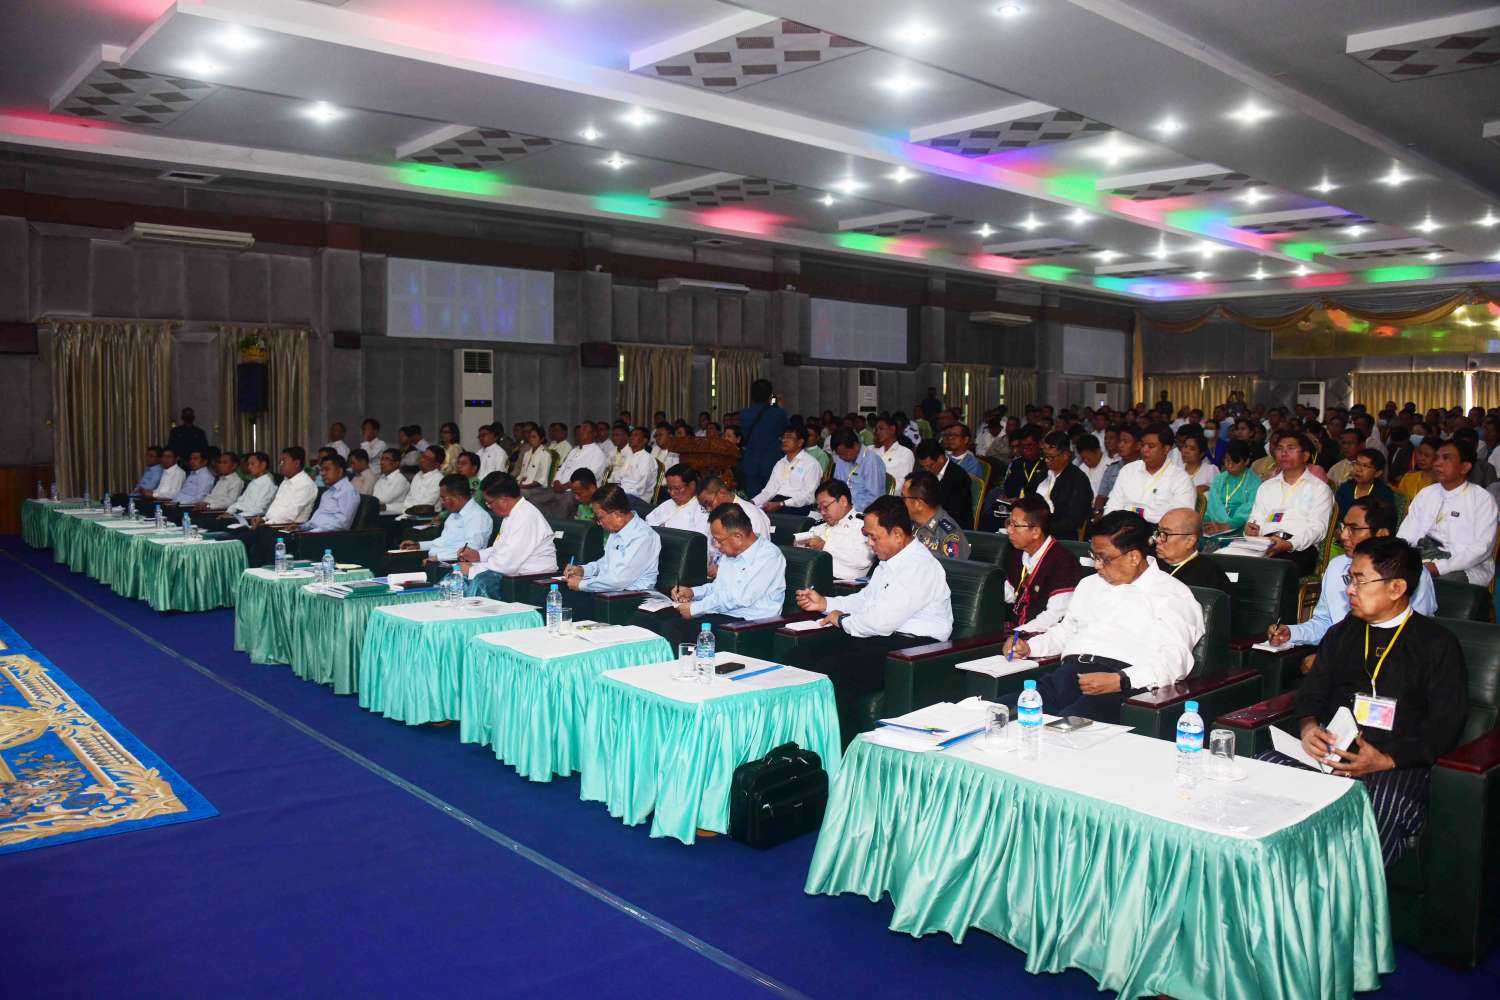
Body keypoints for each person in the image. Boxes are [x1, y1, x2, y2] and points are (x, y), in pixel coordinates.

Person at [1258, 537, 1467, 866]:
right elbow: (1312, 692)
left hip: (1396, 764)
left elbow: (1445, 725)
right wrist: (1309, 727)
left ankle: (1346, 891)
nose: (1349, 590)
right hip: (1333, 753)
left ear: (1396, 588)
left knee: (1376, 805)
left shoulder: (1437, 644)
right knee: (1262, 770)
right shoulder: (1343, 633)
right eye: (1350, 579)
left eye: (1359, 580)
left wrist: (1387, 760)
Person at [1005, 511, 1205, 723]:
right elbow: (1067, 630)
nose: (1097, 565)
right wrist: (1030, 647)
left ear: (1134, 557)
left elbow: (1175, 659)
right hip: (1067, 676)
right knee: (997, 715)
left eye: (1103, 558)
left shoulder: (1172, 594)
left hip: (1118, 687)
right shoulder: (1090, 584)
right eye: (1094, 556)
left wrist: (1122, 680)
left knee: (1056, 732)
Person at [791, 496, 953, 742]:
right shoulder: (890, 561)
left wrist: (842, 620)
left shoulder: (919, 567)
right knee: (799, 655)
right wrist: (825, 604)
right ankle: (801, 739)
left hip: (913, 649)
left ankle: (842, 748)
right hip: (881, 638)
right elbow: (866, 600)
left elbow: (880, 622)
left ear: (897, 534)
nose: (869, 543)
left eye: (873, 537)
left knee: (833, 670)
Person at [1268, 498, 1437, 675]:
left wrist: (1335, 661)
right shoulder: (1336, 566)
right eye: (1343, 527)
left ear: (1382, 534)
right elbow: (1325, 622)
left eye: (1354, 529)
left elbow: (1414, 638)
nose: (1343, 535)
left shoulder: (1411, 572)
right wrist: (1292, 633)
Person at [653, 503, 787, 646]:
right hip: (723, 615)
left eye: (718, 540)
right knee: (660, 619)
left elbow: (737, 598)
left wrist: (695, 608)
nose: (716, 545)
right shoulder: (731, 552)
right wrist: (693, 592)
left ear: (738, 536)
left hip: (749, 624)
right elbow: (718, 588)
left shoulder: (768, 556)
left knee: (675, 628)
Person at [1397, 439, 1498, 586]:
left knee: (1433, 582)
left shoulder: (1482, 499)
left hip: (1463, 567)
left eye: (1446, 458)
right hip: (1420, 557)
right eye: (1437, 457)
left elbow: (1481, 548)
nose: (1437, 463)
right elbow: (1406, 533)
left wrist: (1439, 567)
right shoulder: (1426, 493)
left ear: (1464, 467)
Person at [456, 472, 560, 597]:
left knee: (478, 582)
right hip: (514, 574)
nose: (489, 507)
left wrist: (472, 569)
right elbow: (501, 549)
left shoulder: (525, 517)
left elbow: (506, 564)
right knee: (456, 578)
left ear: (504, 500)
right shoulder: (512, 514)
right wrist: (478, 555)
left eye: (489, 503)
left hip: (532, 580)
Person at [1245, 431, 1334, 575]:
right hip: (1264, 544)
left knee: (1270, 572)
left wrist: (1289, 544)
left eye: (1291, 448)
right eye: (1280, 448)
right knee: (1227, 563)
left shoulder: (1319, 489)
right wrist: (1251, 529)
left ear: (1305, 455)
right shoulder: (1266, 487)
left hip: (1299, 549)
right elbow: (1256, 517)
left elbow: (1317, 528)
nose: (1284, 453)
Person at [1003, 496, 1085, 635]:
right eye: (1009, 523)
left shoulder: (1063, 561)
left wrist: (1018, 634)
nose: (1009, 530)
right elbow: (1011, 593)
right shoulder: (1019, 552)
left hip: (1041, 635)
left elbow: (1054, 616)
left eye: (1015, 525)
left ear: (1036, 532)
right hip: (1016, 629)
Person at [562, 485, 661, 599]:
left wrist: (581, 584)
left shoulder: (644, 537)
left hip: (632, 598)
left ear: (617, 515)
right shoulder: (617, 530)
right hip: (609, 594)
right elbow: (605, 564)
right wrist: (583, 570)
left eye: (600, 517)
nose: (599, 523)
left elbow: (618, 580)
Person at [1104, 423, 1195, 525]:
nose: (1144, 450)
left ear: (1166, 449)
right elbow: (1113, 505)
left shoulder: (1180, 479)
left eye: (1151, 446)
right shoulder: (1128, 470)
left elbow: (1181, 519)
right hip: (1123, 527)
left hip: (1159, 530)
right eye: (1143, 445)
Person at [398, 474, 493, 563]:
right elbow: (444, 542)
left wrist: (438, 558)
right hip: (436, 561)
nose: (442, 503)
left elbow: (471, 551)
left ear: (457, 498)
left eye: (444, 498)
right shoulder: (454, 515)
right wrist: (419, 545)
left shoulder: (478, 517)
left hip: (453, 565)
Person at [797, 480, 873, 582]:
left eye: (825, 506)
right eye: (819, 508)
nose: (822, 512)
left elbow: (863, 560)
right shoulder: (820, 525)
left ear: (843, 501)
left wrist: (825, 546)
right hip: (811, 577)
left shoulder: (863, 524)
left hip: (842, 584)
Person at [533, 422, 608, 519]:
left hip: (576, 493)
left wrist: (565, 487)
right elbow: (561, 469)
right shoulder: (574, 451)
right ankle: (550, 522)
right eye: (580, 428)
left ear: (594, 434)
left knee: (563, 502)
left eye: (584, 429)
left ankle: (557, 525)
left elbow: (587, 479)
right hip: (559, 488)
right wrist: (556, 482)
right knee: (533, 500)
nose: (580, 431)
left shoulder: (598, 454)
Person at [1152, 508, 1233, 594]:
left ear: (1189, 541)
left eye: (1165, 534)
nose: (1157, 540)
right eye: (1158, 533)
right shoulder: (1151, 564)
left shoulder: (1208, 577)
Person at [738, 378, 790, 499]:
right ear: (770, 395)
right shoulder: (779, 413)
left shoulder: (744, 414)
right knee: (771, 500)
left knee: (754, 500)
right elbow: (786, 432)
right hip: (772, 462)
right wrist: (779, 406)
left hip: (751, 462)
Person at [902, 471, 970, 560]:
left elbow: (953, 568)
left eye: (903, 498)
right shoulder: (906, 524)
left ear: (918, 504)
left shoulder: (948, 536)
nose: (901, 502)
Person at [1036, 431, 1092, 540]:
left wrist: (1043, 528)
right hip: (1036, 527)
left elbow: (1073, 519)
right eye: (1044, 456)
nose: (1046, 461)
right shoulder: (1042, 472)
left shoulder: (1078, 479)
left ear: (1065, 455)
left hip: (1061, 535)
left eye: (1051, 457)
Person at [753, 427, 821, 514]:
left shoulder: (810, 463)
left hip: (797, 507)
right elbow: (769, 490)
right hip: (776, 503)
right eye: (783, 437)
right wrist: (752, 502)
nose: (784, 440)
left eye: (789, 437)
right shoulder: (780, 463)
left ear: (800, 442)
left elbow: (809, 496)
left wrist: (782, 504)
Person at [913, 439, 974, 530]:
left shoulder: (959, 477)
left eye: (930, 466)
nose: (926, 470)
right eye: (923, 466)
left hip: (954, 527)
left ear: (941, 459)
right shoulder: (923, 473)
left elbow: (954, 513)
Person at [253, 448, 318, 528]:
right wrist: (263, 519)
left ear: (296, 463)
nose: (280, 464)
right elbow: (275, 508)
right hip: (271, 525)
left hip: (286, 529)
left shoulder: (306, 485)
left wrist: (265, 524)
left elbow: (287, 517)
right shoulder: (285, 481)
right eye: (280, 462)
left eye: (284, 461)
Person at [1202, 440, 1256, 535]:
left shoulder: (1254, 482)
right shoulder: (1219, 478)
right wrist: (1205, 522)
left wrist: (1227, 525)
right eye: (1227, 460)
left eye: (1235, 461)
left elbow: (1248, 510)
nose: (1230, 465)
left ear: (1246, 461)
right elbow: (1210, 507)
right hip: (1214, 523)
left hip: (1239, 527)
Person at [697, 476, 771, 544]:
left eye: (709, 503)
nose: (709, 509)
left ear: (722, 492)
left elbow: (760, 549)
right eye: (704, 507)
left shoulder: (751, 514)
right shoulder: (714, 517)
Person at [297, 454, 360, 534]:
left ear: (340, 471)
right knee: (284, 537)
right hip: (314, 533)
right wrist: (300, 527)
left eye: (326, 469)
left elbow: (342, 525)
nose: (322, 473)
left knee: (286, 540)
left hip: (330, 537)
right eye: (322, 470)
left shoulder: (348, 491)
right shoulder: (327, 493)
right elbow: (316, 521)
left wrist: (312, 532)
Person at [831, 428, 886, 514]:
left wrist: (849, 510)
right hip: (842, 508)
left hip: (865, 512)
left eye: (846, 453)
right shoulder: (841, 459)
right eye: (839, 454)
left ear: (856, 445)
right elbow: (836, 487)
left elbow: (873, 498)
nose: (842, 457)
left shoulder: (872, 461)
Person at [646, 464, 710, 537]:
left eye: (677, 488)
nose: (672, 493)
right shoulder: (668, 503)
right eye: (669, 488)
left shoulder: (702, 510)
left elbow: (698, 538)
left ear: (692, 485)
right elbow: (648, 522)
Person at [1334, 448, 1394, 519]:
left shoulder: (1383, 494)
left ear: (1377, 473)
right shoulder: (1345, 487)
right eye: (1357, 463)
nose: (1358, 469)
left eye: (1365, 466)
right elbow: (1335, 515)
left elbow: (1384, 521)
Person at [611, 426, 660, 511]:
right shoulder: (629, 456)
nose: (631, 438)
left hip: (639, 499)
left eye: (636, 435)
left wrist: (619, 492)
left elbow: (640, 488)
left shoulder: (647, 459)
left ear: (644, 440)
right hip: (623, 493)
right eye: (631, 435)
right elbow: (619, 477)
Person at [219, 452, 275, 521]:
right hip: (238, 515)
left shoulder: (268, 485)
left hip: (248, 518)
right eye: (248, 464)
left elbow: (259, 510)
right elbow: (239, 501)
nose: (249, 467)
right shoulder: (253, 482)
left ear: (263, 465)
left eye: (252, 464)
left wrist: (235, 516)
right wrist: (229, 512)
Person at [999, 425, 1046, 499]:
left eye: (1029, 446)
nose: (1025, 450)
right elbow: (1008, 489)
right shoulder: (1016, 464)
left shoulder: (1047, 465)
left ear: (1040, 444)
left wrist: (1022, 500)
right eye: (1022, 446)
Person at [872, 416, 914, 490]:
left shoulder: (905, 453)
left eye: (881, 429)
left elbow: (903, 483)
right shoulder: (874, 452)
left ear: (892, 429)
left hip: (891, 495)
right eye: (876, 430)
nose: (877, 432)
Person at [403, 446, 445, 514]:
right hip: (407, 513)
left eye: (427, 458)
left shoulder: (439, 479)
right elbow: (408, 498)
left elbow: (425, 505)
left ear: (436, 464)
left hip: (426, 517)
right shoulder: (418, 475)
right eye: (422, 456)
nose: (422, 460)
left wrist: (407, 509)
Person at [372, 448, 411, 513]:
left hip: (393, 515)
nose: (382, 462)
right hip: (380, 513)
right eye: (382, 459)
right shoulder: (381, 478)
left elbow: (384, 499)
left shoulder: (400, 480)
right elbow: (375, 498)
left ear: (396, 463)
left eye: (387, 459)